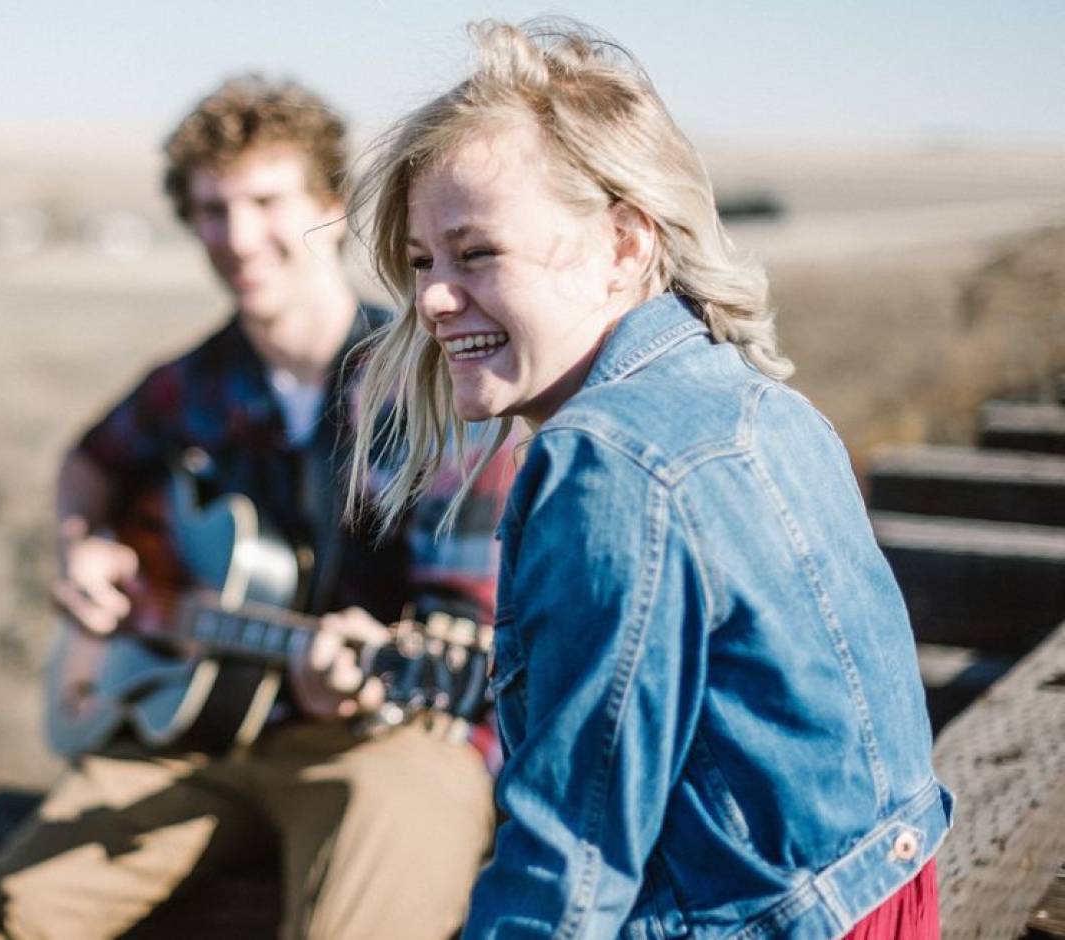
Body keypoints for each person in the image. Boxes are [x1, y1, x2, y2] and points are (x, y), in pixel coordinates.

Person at [346, 18, 952, 940]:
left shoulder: (604, 461)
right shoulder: (763, 405)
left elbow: (569, 868)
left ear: (626, 245)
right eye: (423, 262)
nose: (429, 298)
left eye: (476, 253)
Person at [0, 75, 516, 940]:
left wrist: (358, 675)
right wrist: (82, 547)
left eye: (265, 200)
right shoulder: (199, 380)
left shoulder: (434, 385)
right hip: (202, 732)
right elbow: (90, 462)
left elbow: (458, 628)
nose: (240, 236)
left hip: (391, 734)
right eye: (213, 211)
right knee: (8, 914)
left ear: (332, 202)